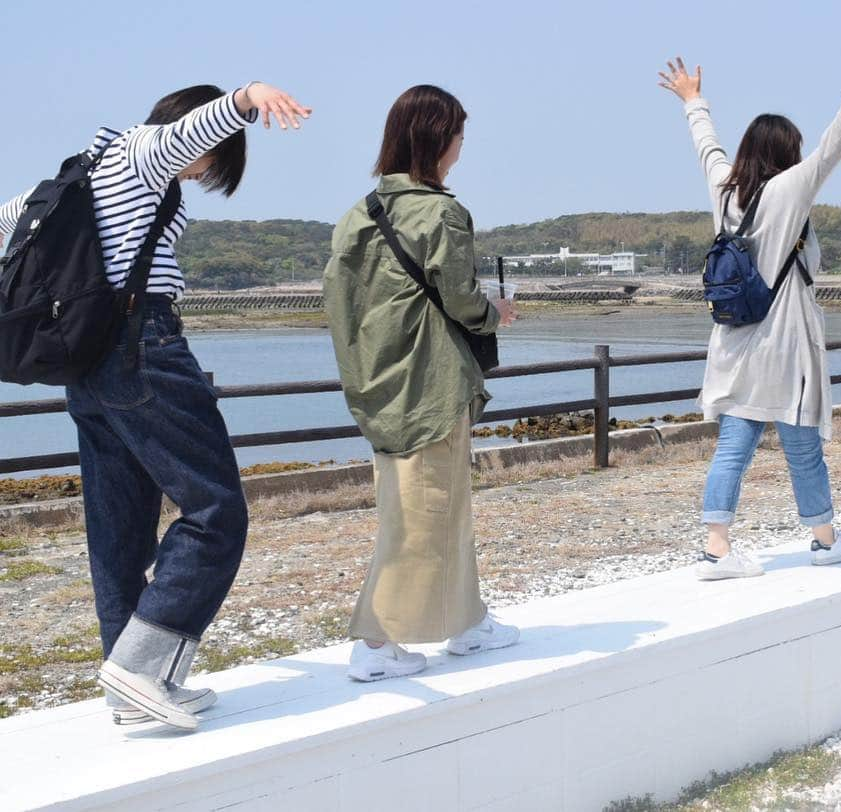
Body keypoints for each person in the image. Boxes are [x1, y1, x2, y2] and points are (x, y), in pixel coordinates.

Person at [0, 82, 311, 730]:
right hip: (142, 350)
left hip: (85, 364)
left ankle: (133, 692)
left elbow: (10, 224)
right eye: (214, 162)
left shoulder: (77, 174)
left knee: (118, 536)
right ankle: (141, 667)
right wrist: (247, 98)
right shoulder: (143, 154)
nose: (202, 172)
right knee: (216, 509)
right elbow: (183, 136)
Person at [658, 44, 841, 580]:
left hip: (735, 344)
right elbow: (837, 142)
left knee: (734, 444)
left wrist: (693, 101)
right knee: (802, 443)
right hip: (784, 346)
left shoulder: (723, 190)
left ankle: (715, 550)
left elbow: (706, 148)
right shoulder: (791, 188)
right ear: (787, 151)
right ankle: (825, 539)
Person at [324, 85, 520, 682]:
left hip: (379, 382)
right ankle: (376, 642)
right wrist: (498, 312)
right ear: (440, 141)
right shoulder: (440, 213)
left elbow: (343, 303)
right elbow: (462, 301)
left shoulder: (358, 214)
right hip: (429, 384)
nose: (463, 145)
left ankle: (465, 621)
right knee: (421, 514)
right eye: (459, 135)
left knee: (439, 505)